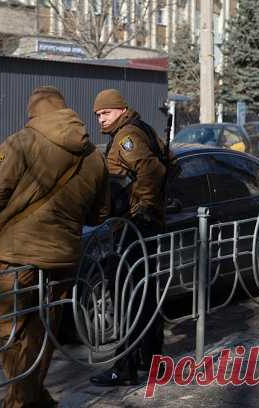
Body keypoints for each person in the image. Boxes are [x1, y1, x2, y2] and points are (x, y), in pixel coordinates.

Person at [0, 86, 110, 408]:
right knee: (42, 330)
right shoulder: (93, 155)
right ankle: (34, 397)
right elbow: (100, 213)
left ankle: (22, 401)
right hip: (64, 255)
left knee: (7, 329)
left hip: (17, 254)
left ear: (34, 112)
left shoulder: (21, 142)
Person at [89, 89, 170, 387]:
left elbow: (152, 169)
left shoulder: (128, 136)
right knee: (145, 296)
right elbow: (169, 162)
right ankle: (153, 364)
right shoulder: (142, 129)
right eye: (98, 114)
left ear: (121, 109)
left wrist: (144, 207)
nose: (100, 118)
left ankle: (123, 368)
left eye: (105, 113)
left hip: (134, 227)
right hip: (140, 226)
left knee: (126, 296)